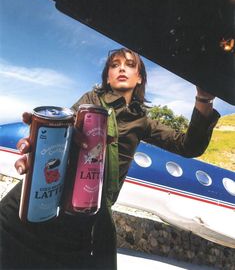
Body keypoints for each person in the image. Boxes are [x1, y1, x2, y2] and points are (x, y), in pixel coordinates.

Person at [0, 48, 220, 269]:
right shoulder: (90, 101)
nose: (121, 68)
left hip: (85, 222)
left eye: (130, 64)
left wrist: (204, 98)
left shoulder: (142, 121)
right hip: (37, 207)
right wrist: (40, 141)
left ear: (139, 77)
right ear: (107, 76)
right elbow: (63, 128)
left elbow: (189, 146)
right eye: (114, 65)